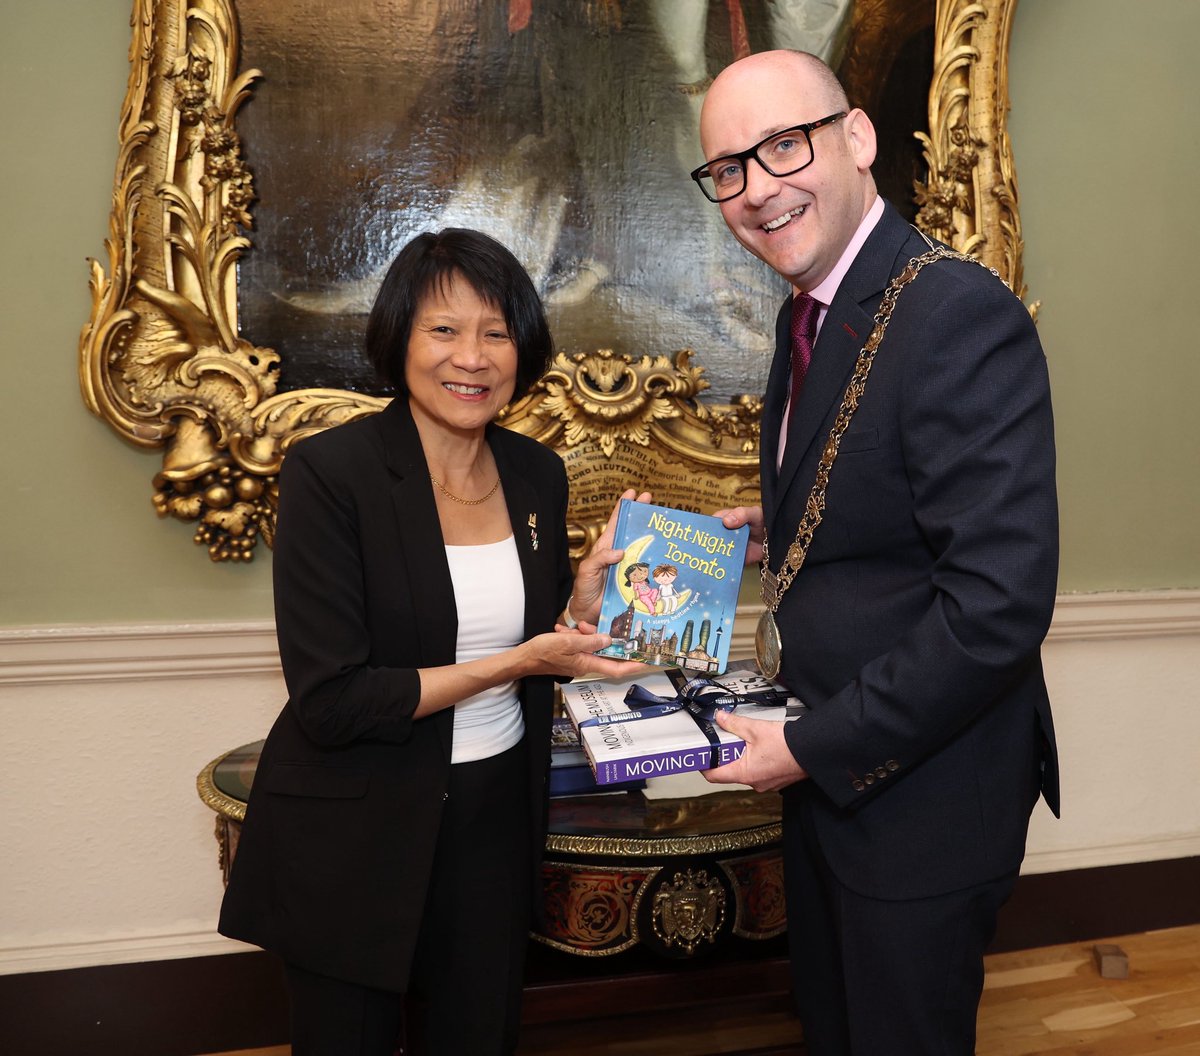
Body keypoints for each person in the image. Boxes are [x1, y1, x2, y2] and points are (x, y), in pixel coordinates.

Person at [693, 51, 1060, 1054]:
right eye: (728, 167)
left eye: (783, 146)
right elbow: (898, 499)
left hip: (922, 797)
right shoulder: (811, 310)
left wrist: (807, 747)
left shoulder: (955, 312)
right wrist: (787, 523)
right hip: (841, 778)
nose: (758, 188)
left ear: (855, 139)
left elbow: (996, 607)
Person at [218, 228, 640, 1056]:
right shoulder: (331, 473)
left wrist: (579, 604)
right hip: (356, 828)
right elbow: (334, 700)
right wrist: (522, 660)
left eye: (496, 331)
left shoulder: (534, 475)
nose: (472, 357)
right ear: (399, 339)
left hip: (492, 824)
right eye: (444, 330)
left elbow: (529, 638)